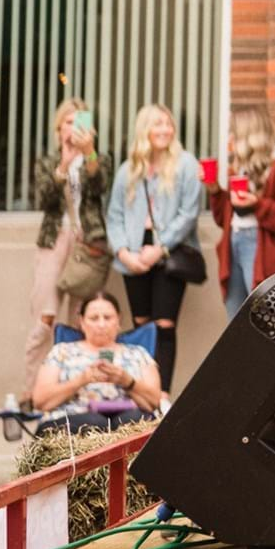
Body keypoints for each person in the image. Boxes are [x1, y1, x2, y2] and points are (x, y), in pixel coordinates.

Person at [105, 104, 203, 391]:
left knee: (164, 326)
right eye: (157, 124)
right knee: (141, 326)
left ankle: (161, 395)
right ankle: (142, 393)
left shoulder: (185, 164)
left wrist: (159, 249)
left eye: (168, 124)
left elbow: (188, 214)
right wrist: (123, 253)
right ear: (144, 129)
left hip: (169, 255)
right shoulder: (128, 170)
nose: (164, 130)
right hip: (133, 255)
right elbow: (115, 215)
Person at [23, 99, 112, 406]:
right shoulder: (48, 162)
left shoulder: (98, 158)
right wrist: (63, 166)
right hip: (53, 241)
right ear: (58, 128)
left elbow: (101, 187)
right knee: (44, 317)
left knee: (82, 319)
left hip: (88, 245)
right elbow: (43, 199)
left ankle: (79, 391)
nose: (73, 128)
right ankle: (35, 392)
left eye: (79, 121)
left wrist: (88, 155)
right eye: (68, 122)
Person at [210, 106, 275, 317]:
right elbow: (222, 219)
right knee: (235, 317)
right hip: (233, 243)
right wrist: (215, 191)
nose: (230, 138)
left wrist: (257, 204)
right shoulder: (239, 168)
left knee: (263, 316)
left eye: (234, 132)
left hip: (260, 248)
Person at [29, 290, 163, 432]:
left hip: (127, 418)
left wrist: (126, 380)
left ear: (118, 320)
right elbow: (40, 401)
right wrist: (81, 380)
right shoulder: (62, 351)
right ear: (82, 322)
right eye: (94, 318)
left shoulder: (138, 353)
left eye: (107, 318)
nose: (101, 324)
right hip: (73, 419)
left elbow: (153, 402)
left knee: (133, 420)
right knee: (94, 422)